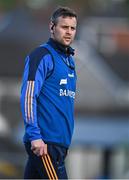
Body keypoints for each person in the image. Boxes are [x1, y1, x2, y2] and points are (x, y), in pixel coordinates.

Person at [20, 6, 77, 179]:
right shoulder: (42, 55)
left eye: (72, 28)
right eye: (64, 27)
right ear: (52, 27)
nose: (69, 32)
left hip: (59, 145)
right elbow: (28, 96)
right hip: (45, 144)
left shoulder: (69, 61)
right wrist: (35, 136)